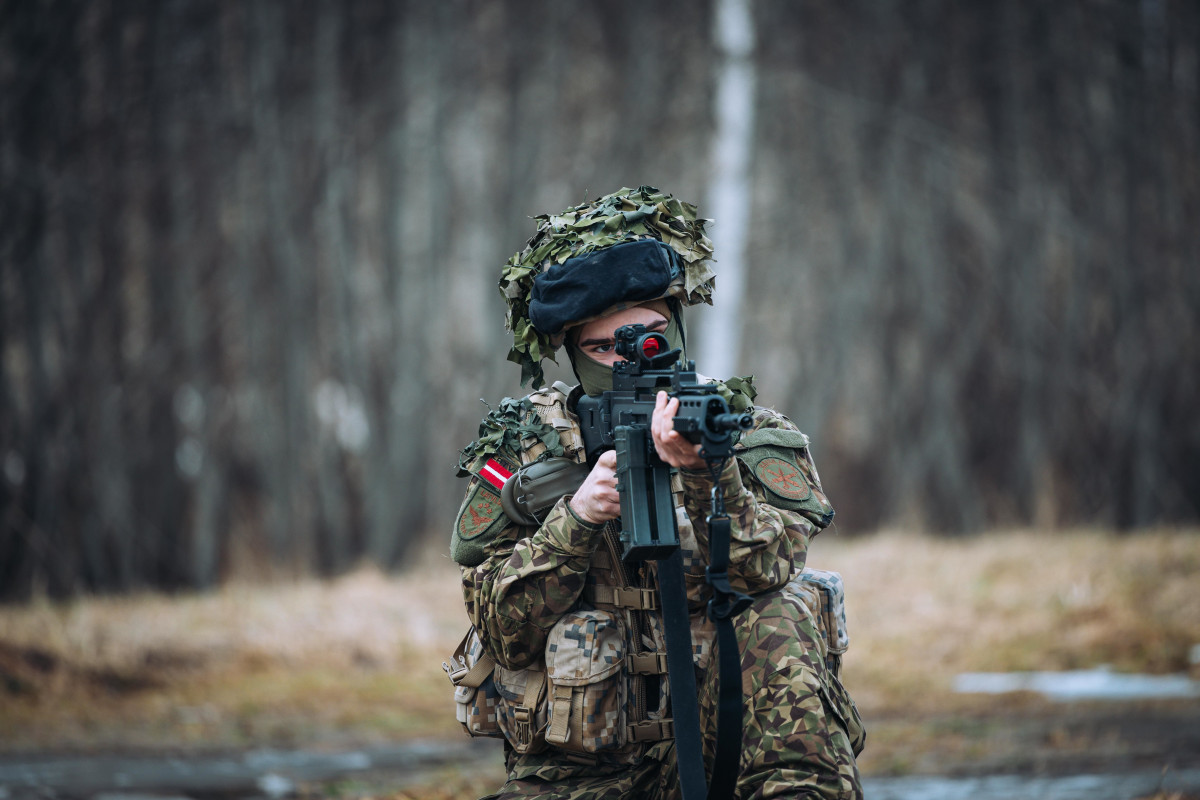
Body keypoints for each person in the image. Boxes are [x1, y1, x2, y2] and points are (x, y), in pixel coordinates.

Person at [447, 186, 864, 799]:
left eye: (651, 336)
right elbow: (502, 629)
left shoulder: (741, 432)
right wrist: (576, 519)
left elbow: (770, 569)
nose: (631, 361)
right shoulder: (524, 451)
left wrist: (708, 474)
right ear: (572, 352)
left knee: (781, 610)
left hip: (726, 746)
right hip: (578, 771)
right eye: (604, 348)